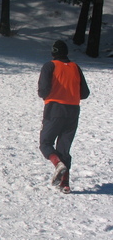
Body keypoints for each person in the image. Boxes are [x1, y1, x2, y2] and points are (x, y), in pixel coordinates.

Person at [38, 39, 90, 194]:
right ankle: (65, 184)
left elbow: (43, 91)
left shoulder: (50, 66)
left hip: (54, 108)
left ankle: (57, 164)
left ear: (53, 52)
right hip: (73, 110)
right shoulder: (76, 67)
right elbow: (85, 93)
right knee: (64, 148)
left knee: (45, 143)